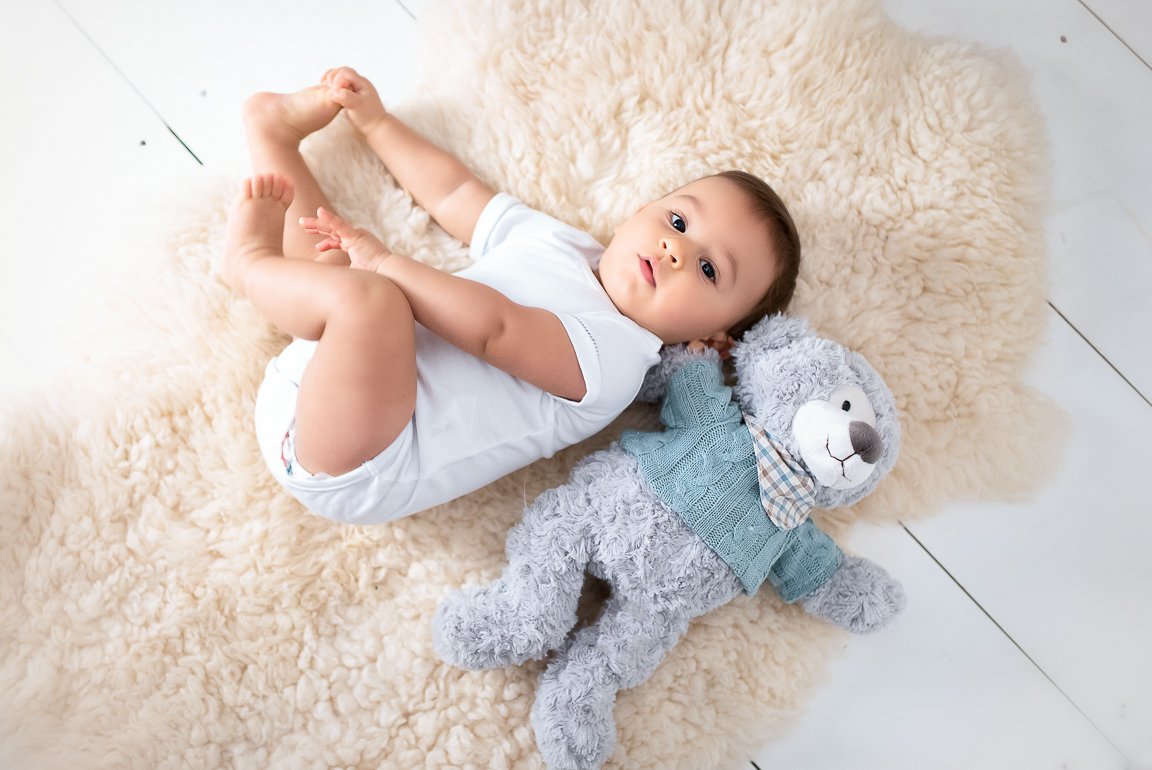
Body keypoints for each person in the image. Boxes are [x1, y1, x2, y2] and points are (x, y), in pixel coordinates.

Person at [221, 67, 801, 525]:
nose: (675, 250)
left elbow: (495, 329)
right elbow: (453, 195)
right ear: (640, 210)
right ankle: (271, 135)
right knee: (334, 259)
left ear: (711, 338)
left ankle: (248, 267)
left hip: (360, 458)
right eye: (677, 220)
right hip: (324, 372)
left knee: (369, 295)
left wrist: (386, 263)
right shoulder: (562, 244)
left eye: (706, 268)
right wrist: (376, 124)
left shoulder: (617, 360)